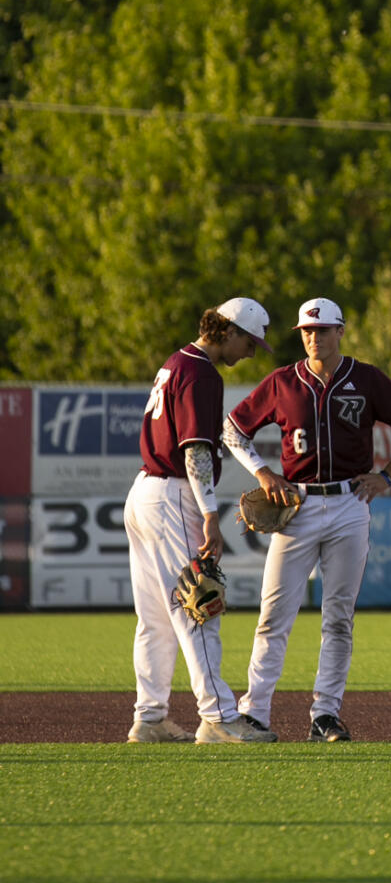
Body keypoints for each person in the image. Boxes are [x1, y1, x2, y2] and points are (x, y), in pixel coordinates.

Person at [223, 297, 391, 742]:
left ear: (341, 331)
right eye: (306, 331)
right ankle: (255, 710)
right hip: (294, 508)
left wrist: (388, 476)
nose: (313, 337)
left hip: (348, 504)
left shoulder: (367, 379)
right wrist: (262, 471)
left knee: (338, 615)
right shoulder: (283, 381)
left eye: (322, 330)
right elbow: (232, 429)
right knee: (273, 614)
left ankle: (326, 714)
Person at [124, 296, 278, 745]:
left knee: (155, 617)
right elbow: (194, 450)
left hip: (144, 493)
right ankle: (218, 717)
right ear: (226, 331)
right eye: (249, 342)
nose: (251, 352)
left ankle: (149, 719)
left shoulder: (177, 361)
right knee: (199, 607)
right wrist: (211, 513)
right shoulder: (201, 371)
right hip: (173, 494)